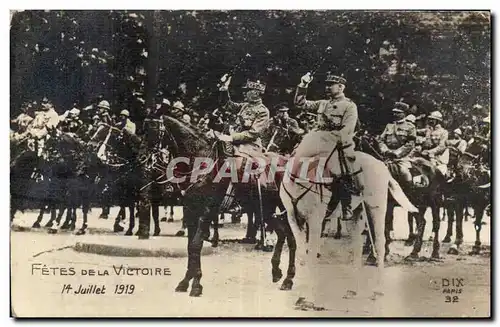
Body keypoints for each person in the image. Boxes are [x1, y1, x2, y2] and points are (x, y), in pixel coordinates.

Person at [292, 72, 361, 220]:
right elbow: (300, 104)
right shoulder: (323, 103)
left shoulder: (349, 106)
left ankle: (346, 204)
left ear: (341, 87)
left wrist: (327, 141)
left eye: (331, 85)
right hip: (317, 141)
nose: (327, 87)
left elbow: (347, 130)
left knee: (340, 171)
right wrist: (303, 85)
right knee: (295, 159)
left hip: (339, 144)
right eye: (326, 85)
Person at [217, 75, 270, 164]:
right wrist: (224, 88)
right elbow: (227, 104)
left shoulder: (263, 111)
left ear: (256, 93)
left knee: (239, 164)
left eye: (247, 91)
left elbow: (253, 134)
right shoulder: (244, 106)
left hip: (249, 145)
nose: (244, 93)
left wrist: (231, 138)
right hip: (232, 139)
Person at [378, 102, 416, 185]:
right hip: (386, 156)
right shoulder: (389, 125)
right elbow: (381, 140)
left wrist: (396, 153)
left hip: (401, 158)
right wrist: (385, 150)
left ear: (404, 114)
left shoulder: (410, 126)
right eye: (394, 112)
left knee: (404, 172)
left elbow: (410, 143)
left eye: (398, 113)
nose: (395, 114)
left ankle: (409, 191)